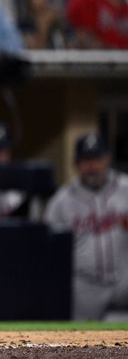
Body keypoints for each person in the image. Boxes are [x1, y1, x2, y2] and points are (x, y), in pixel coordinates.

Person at [45, 133, 128, 320]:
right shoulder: (61, 201)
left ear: (107, 158)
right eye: (86, 160)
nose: (92, 166)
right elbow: (49, 252)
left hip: (124, 281)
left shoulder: (125, 188)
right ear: (76, 164)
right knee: (81, 342)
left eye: (96, 159)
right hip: (84, 287)